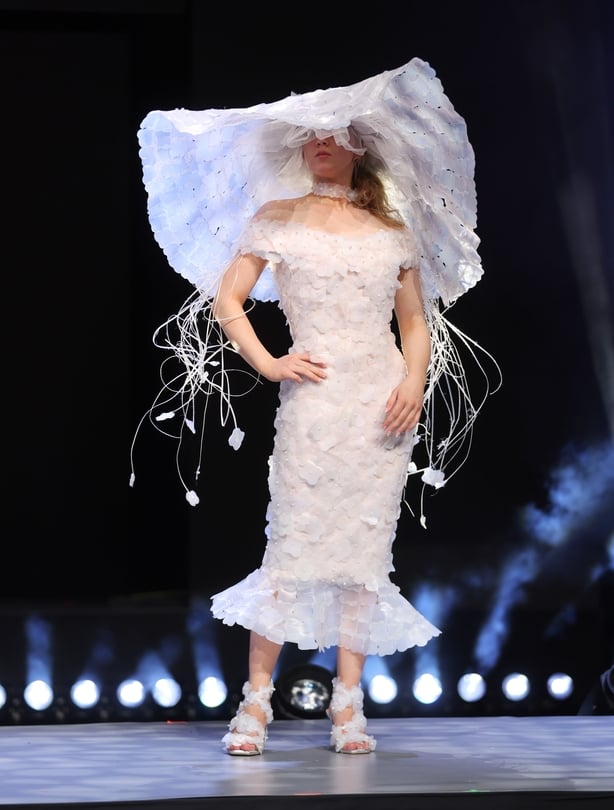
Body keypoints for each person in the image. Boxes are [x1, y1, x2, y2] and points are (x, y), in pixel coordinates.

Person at [132, 58, 500, 756]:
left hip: (381, 401)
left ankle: (348, 707)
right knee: (293, 544)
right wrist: (270, 362)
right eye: (310, 135)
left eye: (333, 134)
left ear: (360, 144)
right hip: (316, 397)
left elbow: (416, 325)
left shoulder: (392, 229)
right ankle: (256, 703)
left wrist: (415, 386)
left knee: (364, 553)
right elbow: (227, 301)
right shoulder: (276, 217)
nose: (320, 143)